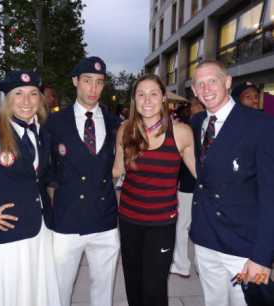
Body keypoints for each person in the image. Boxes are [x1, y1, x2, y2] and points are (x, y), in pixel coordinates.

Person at [0, 70, 61, 306]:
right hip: (9, 235)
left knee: (38, 295)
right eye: (18, 94)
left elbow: (44, 177)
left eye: (33, 94)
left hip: (42, 232)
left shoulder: (43, 131)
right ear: (7, 99)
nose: (27, 101)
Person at [190, 60, 274, 306]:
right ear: (194, 91)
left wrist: (262, 257)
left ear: (227, 82)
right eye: (200, 84)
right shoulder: (197, 125)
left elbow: (271, 196)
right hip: (205, 241)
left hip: (244, 248)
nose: (206, 89)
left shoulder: (262, 125)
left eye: (212, 81)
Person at [113, 74, 196, 306]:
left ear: (163, 98)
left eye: (153, 94)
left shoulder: (181, 133)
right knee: (133, 281)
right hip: (129, 219)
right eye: (141, 94)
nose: (147, 100)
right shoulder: (125, 131)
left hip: (161, 223)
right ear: (134, 100)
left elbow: (203, 175)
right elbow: (116, 170)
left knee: (154, 288)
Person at [46, 56, 120, 306]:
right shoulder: (55, 122)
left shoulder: (114, 123)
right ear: (75, 81)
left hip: (105, 219)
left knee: (103, 289)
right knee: (59, 288)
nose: (93, 89)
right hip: (67, 221)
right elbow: (45, 169)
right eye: (87, 81)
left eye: (99, 82)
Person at [170, 97, 204, 277]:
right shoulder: (208, 123)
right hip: (204, 185)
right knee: (199, 225)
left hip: (188, 184)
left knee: (181, 226)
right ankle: (200, 264)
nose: (190, 108)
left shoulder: (190, 125)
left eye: (192, 105)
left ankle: (182, 264)